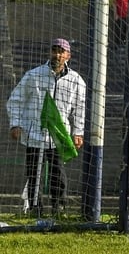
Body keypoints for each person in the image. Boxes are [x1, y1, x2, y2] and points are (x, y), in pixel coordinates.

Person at [6, 38, 86, 216]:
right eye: (54, 50)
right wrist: (16, 124)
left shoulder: (76, 81)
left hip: (59, 134)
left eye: (61, 51)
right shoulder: (33, 75)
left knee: (58, 172)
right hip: (34, 133)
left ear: (68, 55)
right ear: (50, 52)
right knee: (34, 173)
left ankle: (59, 208)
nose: (57, 54)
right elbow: (15, 100)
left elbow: (80, 108)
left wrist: (78, 132)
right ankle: (36, 208)